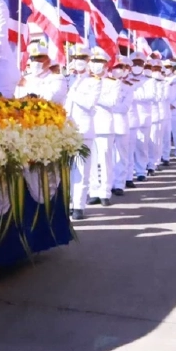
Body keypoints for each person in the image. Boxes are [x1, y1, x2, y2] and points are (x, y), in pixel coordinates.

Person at [65, 44, 102, 220]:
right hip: (66, 130)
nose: (78, 62)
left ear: (88, 61)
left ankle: (79, 205)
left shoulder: (94, 81)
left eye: (82, 59)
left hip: (83, 130)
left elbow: (89, 104)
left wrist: (72, 92)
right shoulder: (67, 79)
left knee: (81, 169)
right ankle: (69, 202)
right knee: (67, 169)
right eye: (75, 58)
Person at [87, 47, 118, 207]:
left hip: (105, 126)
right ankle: (93, 191)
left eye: (99, 61)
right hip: (88, 126)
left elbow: (112, 102)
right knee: (90, 161)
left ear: (106, 65)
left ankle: (105, 192)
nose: (95, 65)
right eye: (93, 61)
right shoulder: (85, 81)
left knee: (105, 160)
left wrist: (93, 98)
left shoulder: (113, 82)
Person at [110, 56, 136, 195]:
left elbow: (124, 107)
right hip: (106, 123)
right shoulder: (105, 84)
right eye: (117, 67)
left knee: (121, 155)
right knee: (107, 156)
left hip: (120, 123)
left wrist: (109, 106)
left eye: (122, 68)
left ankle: (119, 184)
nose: (119, 70)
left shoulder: (128, 87)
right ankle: (108, 183)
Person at [15, 38, 68, 104]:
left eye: (39, 57)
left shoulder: (57, 78)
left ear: (49, 60)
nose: (36, 61)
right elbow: (16, 98)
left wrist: (27, 85)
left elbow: (51, 99)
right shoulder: (26, 78)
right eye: (33, 58)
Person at [130, 53, 156, 181]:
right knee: (129, 148)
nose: (137, 66)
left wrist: (132, 96)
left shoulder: (149, 80)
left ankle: (141, 171)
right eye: (134, 63)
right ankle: (128, 173)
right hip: (129, 118)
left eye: (140, 63)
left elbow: (150, 96)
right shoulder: (126, 78)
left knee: (141, 147)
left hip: (143, 118)